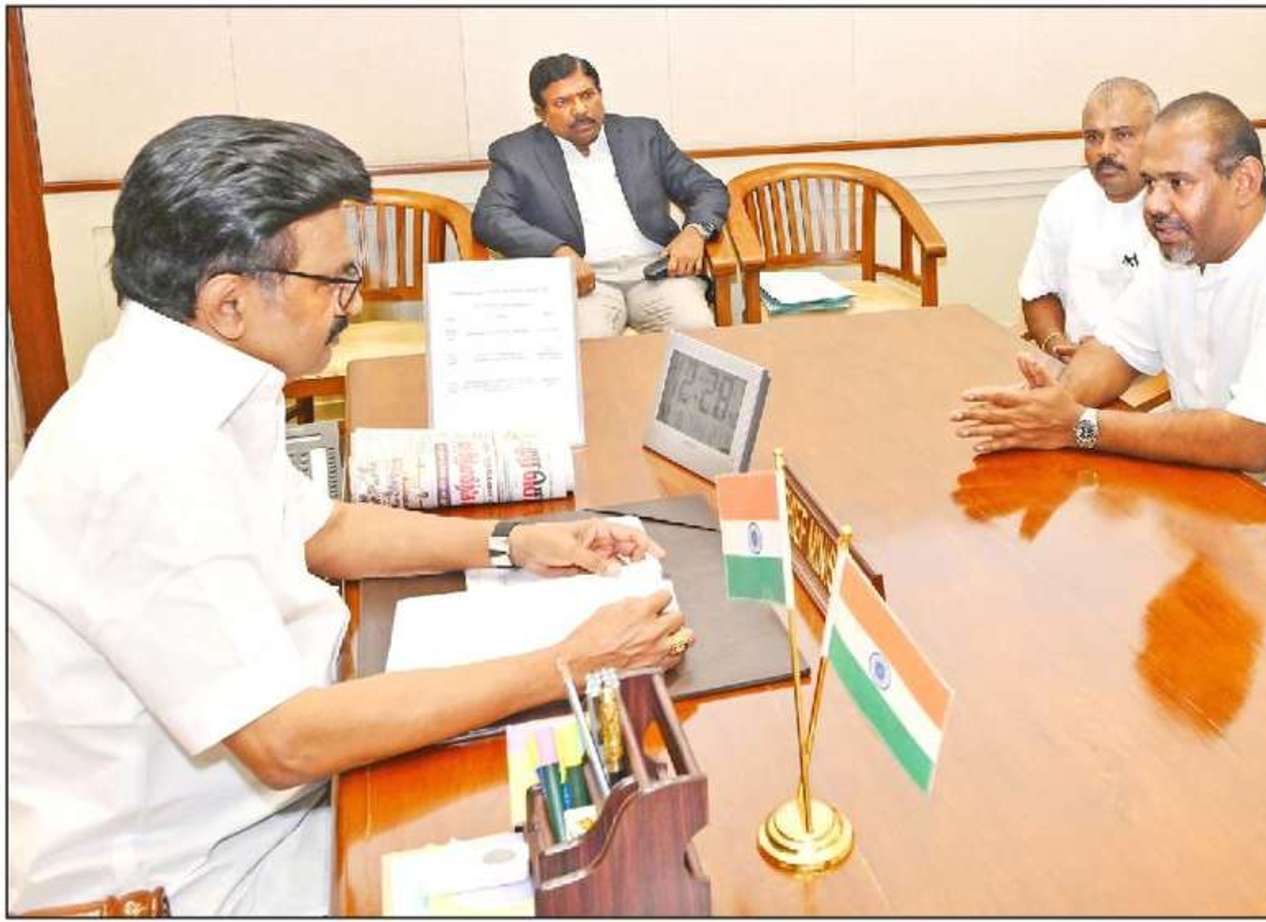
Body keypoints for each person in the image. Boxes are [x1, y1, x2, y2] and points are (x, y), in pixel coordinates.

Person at [8, 115, 693, 916]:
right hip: (200, 875)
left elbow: (322, 531)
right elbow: (287, 739)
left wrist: (515, 541)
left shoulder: (194, 380)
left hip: (272, 804)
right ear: (229, 302)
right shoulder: (142, 454)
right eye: (334, 282)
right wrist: (571, 663)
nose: (354, 302)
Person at [953, 92, 1266, 511]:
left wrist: (1079, 426)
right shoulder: (1182, 245)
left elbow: (1254, 440)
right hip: (1217, 492)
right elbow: (1115, 351)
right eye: (1151, 182)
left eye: (1177, 183)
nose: (1154, 205)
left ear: (1244, 181)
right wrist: (1049, 406)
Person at [473, 53, 730, 339]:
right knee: (587, 348)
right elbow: (490, 217)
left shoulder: (643, 135)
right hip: (584, 282)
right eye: (562, 102)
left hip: (657, 270)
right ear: (541, 113)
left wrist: (695, 231)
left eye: (587, 95)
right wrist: (556, 251)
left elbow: (707, 188)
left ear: (600, 93)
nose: (580, 109)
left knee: (699, 335)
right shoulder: (516, 153)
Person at [1019, 77, 1164, 361]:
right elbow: (1037, 292)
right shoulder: (1066, 198)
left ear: (1156, 139)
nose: (1105, 150)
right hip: (1074, 364)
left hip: (1154, 373)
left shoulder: (1179, 207)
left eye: (1122, 135)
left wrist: (1110, 360)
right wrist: (1056, 345)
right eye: (1093, 137)